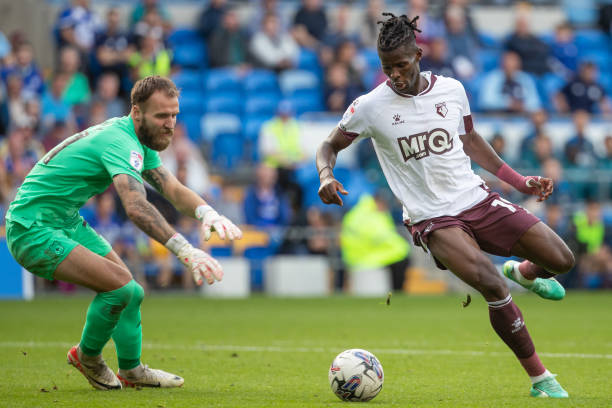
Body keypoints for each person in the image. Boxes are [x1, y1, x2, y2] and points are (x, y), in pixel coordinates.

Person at [316, 13, 574, 398]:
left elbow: (470, 141)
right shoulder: (370, 106)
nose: (395, 75)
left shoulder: (452, 90)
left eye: (401, 66)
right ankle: (541, 378)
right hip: (431, 218)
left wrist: (521, 181)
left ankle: (524, 272)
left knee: (562, 259)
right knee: (490, 283)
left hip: (476, 199)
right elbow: (328, 145)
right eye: (387, 68)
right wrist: (325, 174)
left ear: (418, 54)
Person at [4, 76, 243, 390]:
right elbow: (135, 206)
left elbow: (170, 187)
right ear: (137, 112)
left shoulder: (135, 136)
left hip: (65, 221)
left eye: (174, 115)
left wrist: (207, 212)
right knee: (121, 290)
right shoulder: (121, 142)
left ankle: (131, 371)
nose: (170, 124)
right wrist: (186, 250)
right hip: (31, 229)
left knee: (133, 293)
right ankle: (86, 357)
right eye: (162, 116)